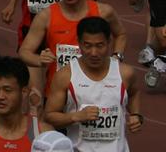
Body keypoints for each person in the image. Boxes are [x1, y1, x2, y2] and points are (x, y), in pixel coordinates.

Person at [17, 0, 125, 105]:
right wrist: (39, 60)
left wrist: (116, 57)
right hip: (59, 95)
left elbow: (120, 34)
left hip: (96, 92)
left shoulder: (103, 12)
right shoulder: (46, 16)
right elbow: (24, 52)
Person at [43, 16, 143, 150]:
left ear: (109, 42)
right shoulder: (66, 76)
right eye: (87, 45)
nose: (93, 53)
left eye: (99, 45)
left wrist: (136, 115)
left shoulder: (125, 73)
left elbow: (134, 93)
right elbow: (49, 116)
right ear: (79, 43)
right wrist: (76, 117)